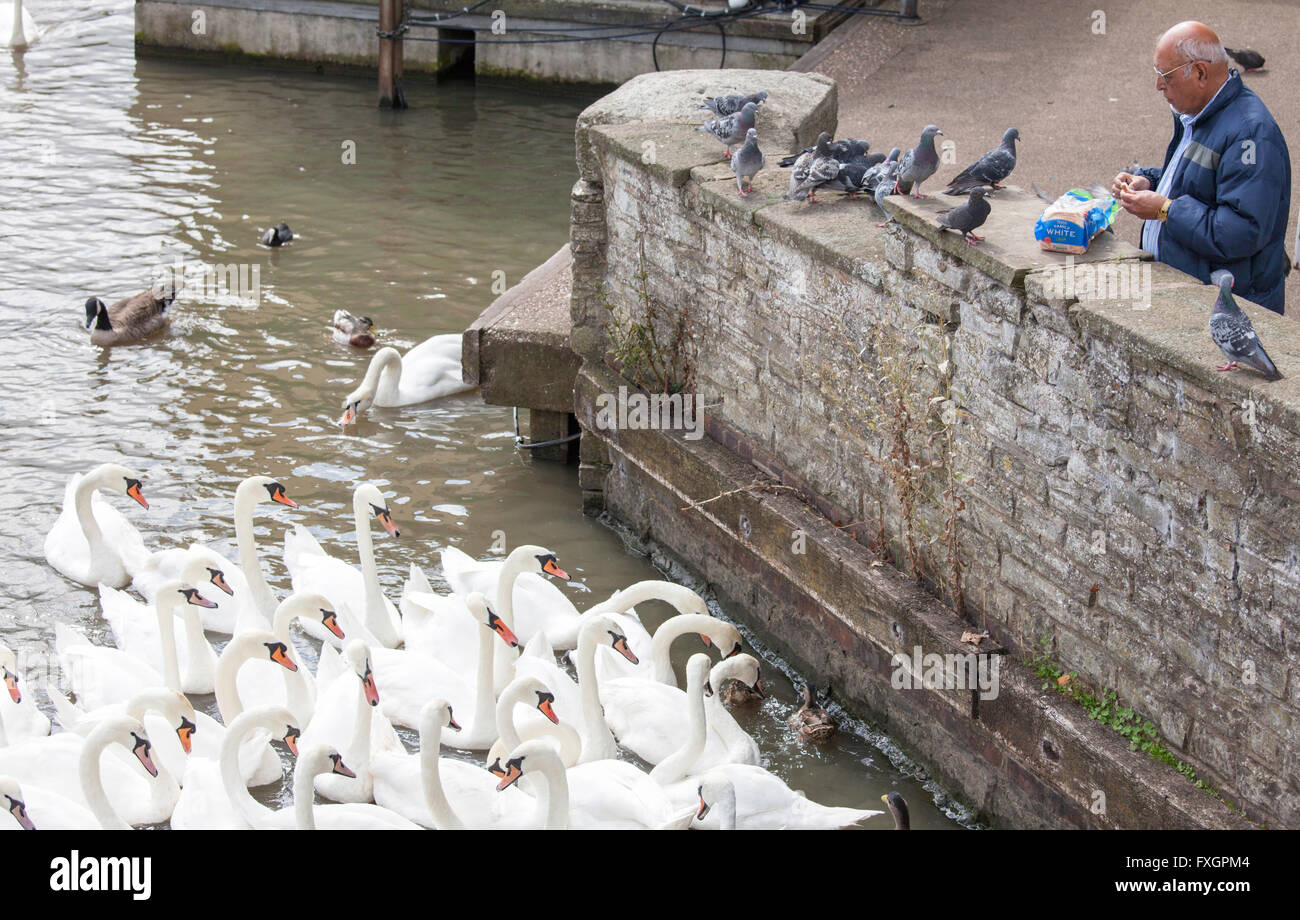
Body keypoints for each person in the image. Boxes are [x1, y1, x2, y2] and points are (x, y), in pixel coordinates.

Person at [1112, 21, 1291, 314]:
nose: (1158, 86)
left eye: (1165, 76)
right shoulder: (1198, 112)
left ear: (1199, 73)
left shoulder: (1251, 134)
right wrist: (1151, 181)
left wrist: (1164, 210)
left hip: (1227, 310)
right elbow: (1202, 184)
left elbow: (1240, 232)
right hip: (1195, 297)